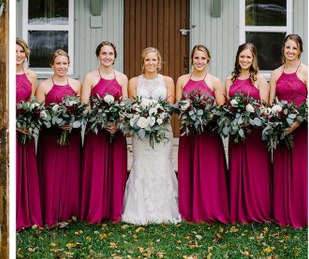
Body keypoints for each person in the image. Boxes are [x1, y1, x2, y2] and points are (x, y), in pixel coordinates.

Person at [120, 47, 181, 224]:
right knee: (142, 165)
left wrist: (156, 118)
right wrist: (143, 118)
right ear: (142, 62)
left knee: (162, 164)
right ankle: (139, 210)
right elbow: (132, 106)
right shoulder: (133, 82)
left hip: (162, 129)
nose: (151, 63)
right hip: (141, 133)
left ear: (159, 62)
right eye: (148, 60)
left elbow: (170, 104)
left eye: (154, 60)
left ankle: (164, 210)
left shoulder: (168, 80)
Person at [176, 45, 229, 223]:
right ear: (192, 59)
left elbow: (222, 107)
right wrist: (189, 114)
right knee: (189, 167)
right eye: (196, 58)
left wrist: (208, 115)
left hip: (208, 132)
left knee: (209, 171)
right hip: (189, 132)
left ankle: (210, 208)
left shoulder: (215, 81)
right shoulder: (182, 80)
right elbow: (178, 106)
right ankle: (189, 209)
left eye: (203, 58)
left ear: (208, 60)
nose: (199, 61)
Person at [79, 42, 129, 223]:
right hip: (96, 132)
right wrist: (100, 120)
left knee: (116, 171)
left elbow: (125, 106)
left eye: (111, 54)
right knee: (96, 170)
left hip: (116, 132)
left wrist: (117, 123)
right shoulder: (90, 77)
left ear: (115, 56)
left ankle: (114, 212)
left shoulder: (122, 78)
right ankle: (96, 212)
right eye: (104, 53)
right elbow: (84, 106)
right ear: (98, 56)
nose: (107, 57)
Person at [34, 50, 82, 227]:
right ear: (52, 65)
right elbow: (38, 114)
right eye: (58, 63)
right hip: (51, 138)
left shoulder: (77, 85)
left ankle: (71, 212)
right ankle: (51, 213)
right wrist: (55, 124)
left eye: (64, 63)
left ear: (69, 65)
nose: (61, 67)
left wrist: (72, 121)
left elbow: (82, 110)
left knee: (71, 172)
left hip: (72, 136)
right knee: (51, 172)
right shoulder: (44, 86)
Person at [226, 43, 272, 223]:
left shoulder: (259, 79)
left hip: (255, 132)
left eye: (248, 57)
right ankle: (239, 210)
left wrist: (251, 117)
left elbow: (265, 106)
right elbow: (227, 105)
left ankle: (257, 209)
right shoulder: (229, 80)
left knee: (256, 171)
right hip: (237, 132)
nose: (245, 60)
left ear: (253, 59)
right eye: (242, 57)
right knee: (237, 168)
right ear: (238, 58)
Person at [269, 35, 308, 228]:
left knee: (300, 171)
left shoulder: (306, 72)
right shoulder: (276, 73)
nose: (291, 51)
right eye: (288, 47)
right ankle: (282, 213)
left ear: (300, 50)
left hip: (301, 129)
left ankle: (301, 214)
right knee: (282, 170)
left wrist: (297, 123)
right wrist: (277, 121)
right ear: (283, 49)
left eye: (294, 48)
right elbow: (269, 103)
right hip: (282, 129)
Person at [15, 38, 42, 231]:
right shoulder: (6, 72)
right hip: (13, 129)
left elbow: (33, 103)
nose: (18, 55)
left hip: (26, 130)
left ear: (26, 54)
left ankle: (29, 213)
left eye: (21, 52)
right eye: (14, 51)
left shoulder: (32, 76)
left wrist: (29, 122)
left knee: (26, 168)